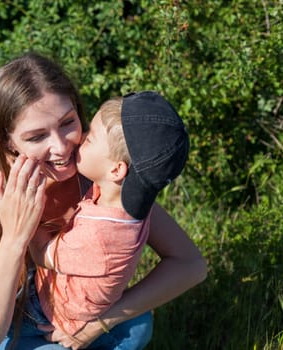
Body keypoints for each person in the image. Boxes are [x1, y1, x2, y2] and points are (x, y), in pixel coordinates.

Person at [0, 52, 207, 350]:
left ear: (77, 110)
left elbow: (190, 264)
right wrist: (15, 237)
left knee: (135, 325)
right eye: (36, 137)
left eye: (67, 123)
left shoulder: (99, 173)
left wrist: (100, 323)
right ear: (9, 141)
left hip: (62, 313)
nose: (61, 148)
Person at [24, 92, 190, 340]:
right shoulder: (129, 207)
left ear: (116, 169)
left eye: (90, 138)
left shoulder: (99, 237)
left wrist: (29, 207)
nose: (79, 140)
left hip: (50, 317)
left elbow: (41, 253)